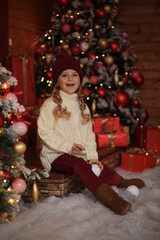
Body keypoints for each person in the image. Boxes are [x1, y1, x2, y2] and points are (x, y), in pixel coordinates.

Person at [37, 52, 145, 215]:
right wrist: (68, 145)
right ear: (57, 81)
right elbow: (45, 132)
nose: (70, 79)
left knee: (98, 167)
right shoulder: (50, 104)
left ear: (80, 79)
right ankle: (112, 200)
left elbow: (88, 135)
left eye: (74, 75)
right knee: (79, 165)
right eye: (64, 75)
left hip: (78, 155)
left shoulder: (82, 107)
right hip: (55, 155)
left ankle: (120, 182)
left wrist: (92, 157)